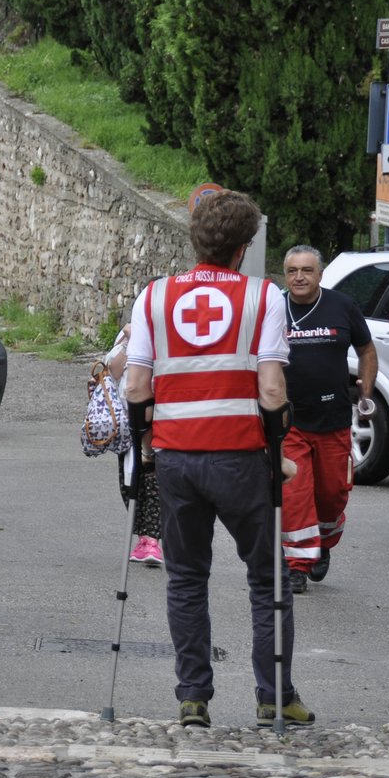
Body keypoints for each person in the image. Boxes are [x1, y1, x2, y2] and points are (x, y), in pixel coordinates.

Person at [122, 190, 311, 730]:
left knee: (185, 578)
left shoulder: (154, 296)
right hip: (242, 457)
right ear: (245, 246)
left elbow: (136, 384)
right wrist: (278, 445)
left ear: (195, 238)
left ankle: (192, 699)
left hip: (177, 458)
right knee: (267, 579)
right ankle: (275, 697)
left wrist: (146, 443)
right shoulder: (262, 296)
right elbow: (272, 389)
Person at [279, 246, 377, 594]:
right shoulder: (275, 308)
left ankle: (323, 542)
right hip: (289, 422)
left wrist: (366, 389)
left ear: (320, 274)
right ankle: (296, 564)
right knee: (295, 492)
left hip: (334, 419)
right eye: (292, 271)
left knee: (332, 494)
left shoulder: (342, 306)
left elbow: (367, 349)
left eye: (307, 270)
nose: (299, 277)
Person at [94, 324, 163, 567]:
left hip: (162, 420)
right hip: (129, 421)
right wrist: (130, 341)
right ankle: (145, 538)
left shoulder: (171, 331)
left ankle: (152, 540)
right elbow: (113, 370)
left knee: (153, 481)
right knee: (130, 484)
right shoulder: (128, 334)